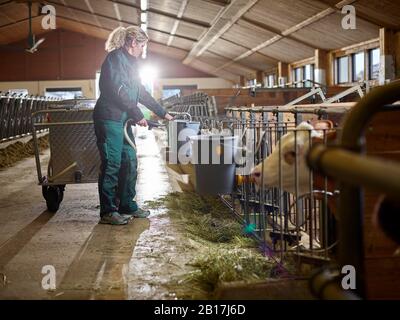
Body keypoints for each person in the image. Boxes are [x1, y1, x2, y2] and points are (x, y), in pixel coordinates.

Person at [93, 26, 173, 225]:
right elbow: (118, 90)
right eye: (143, 45)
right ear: (133, 43)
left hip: (123, 120)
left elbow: (141, 93)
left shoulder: (132, 63)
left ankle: (126, 204)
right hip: (110, 118)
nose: (143, 49)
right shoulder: (114, 59)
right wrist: (137, 114)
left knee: (129, 161)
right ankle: (108, 211)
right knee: (112, 163)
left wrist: (163, 113)